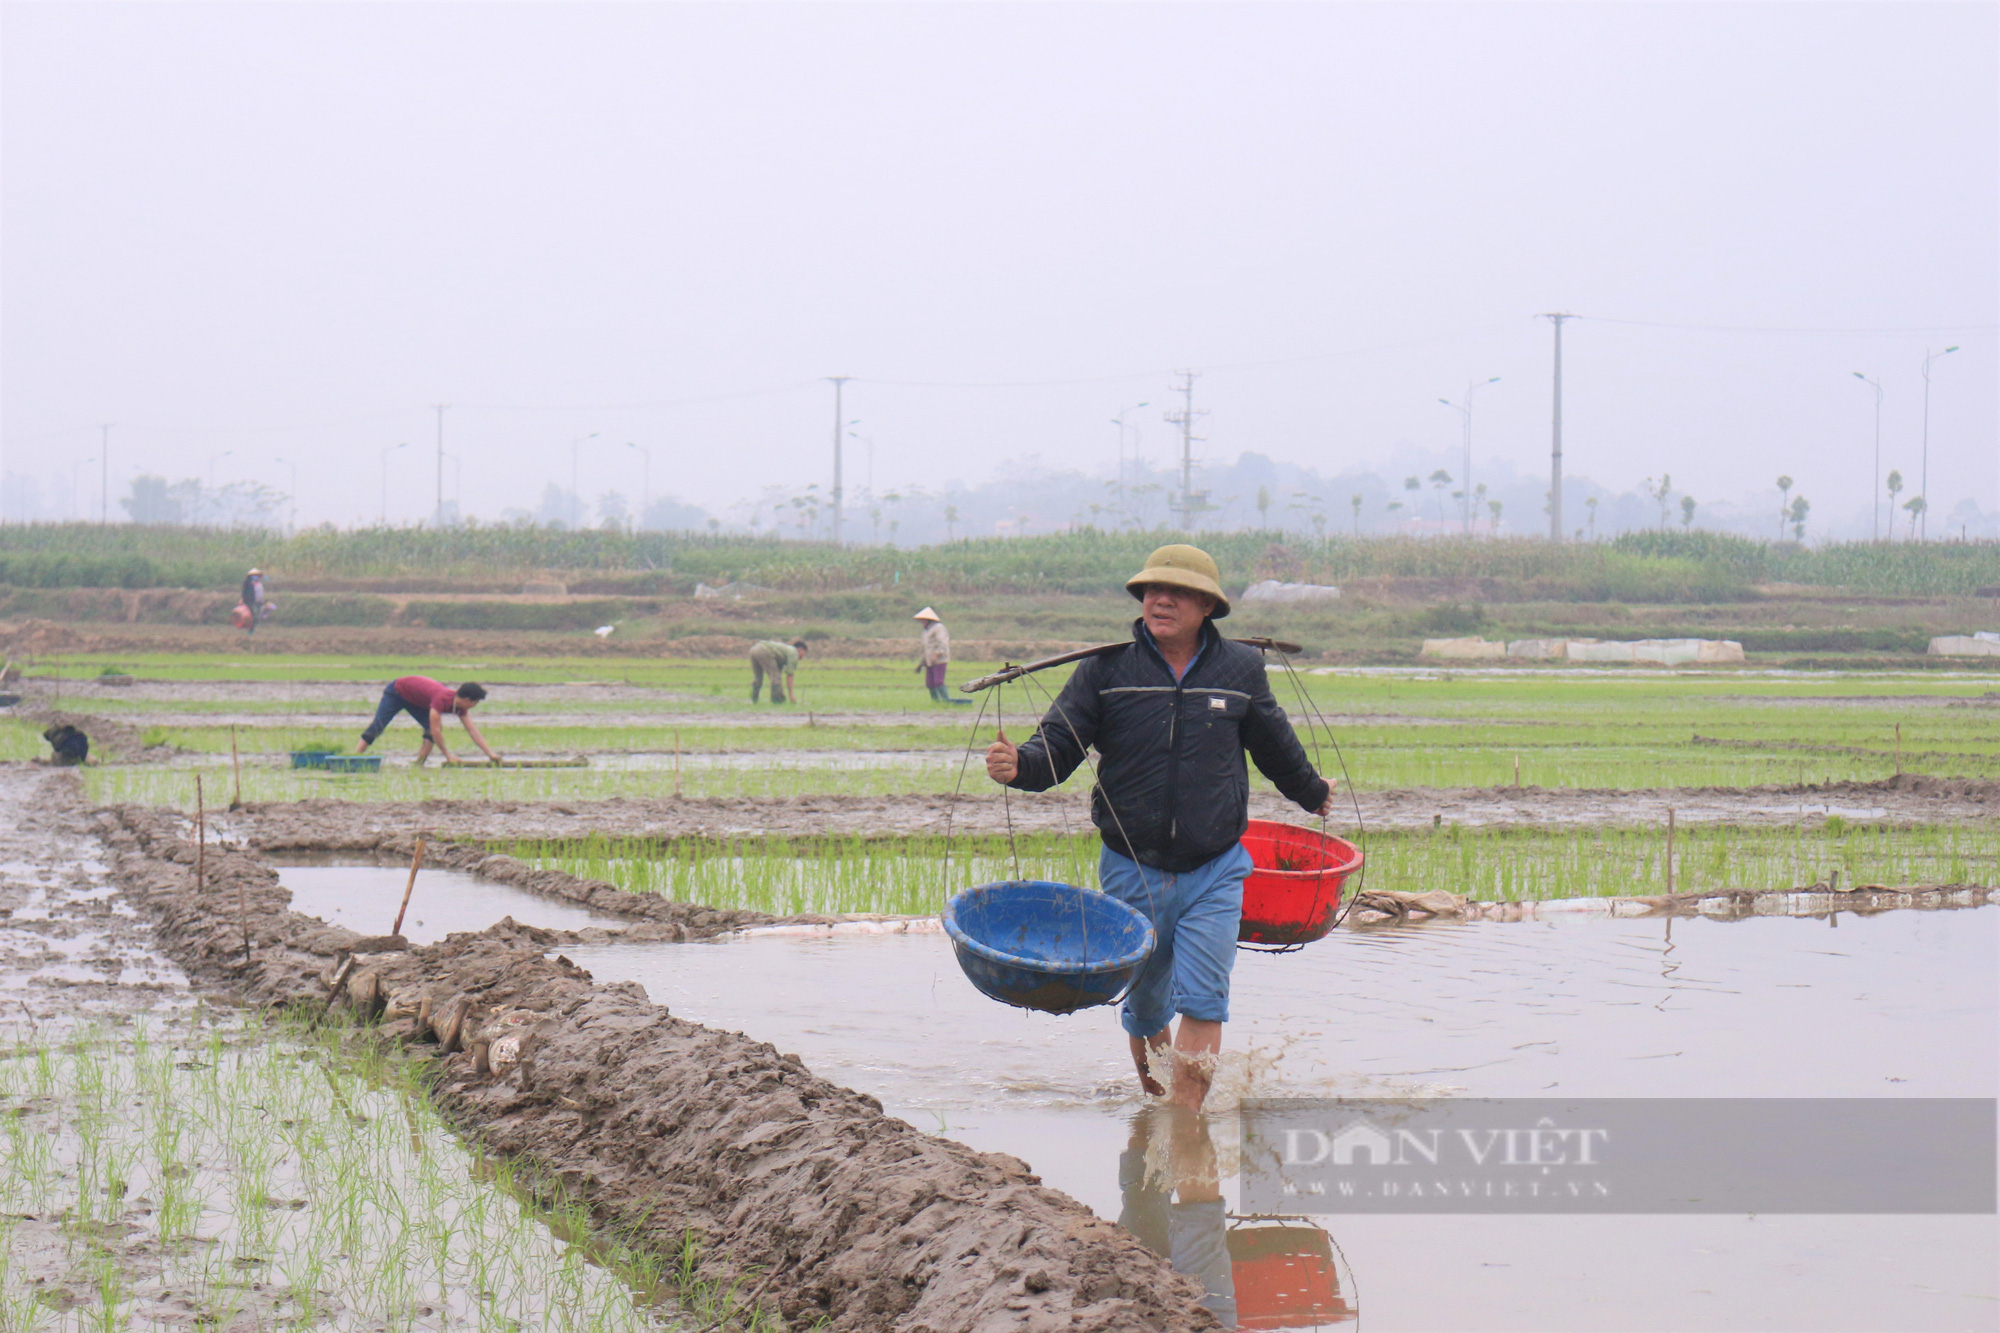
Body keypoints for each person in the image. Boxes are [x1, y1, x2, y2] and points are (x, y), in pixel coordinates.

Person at [985, 544, 1333, 1110]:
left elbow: (1275, 746)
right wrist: (1019, 766)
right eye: (1151, 590)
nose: (1160, 599)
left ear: (1206, 607)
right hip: (1132, 868)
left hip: (1215, 867)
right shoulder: (1106, 670)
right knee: (1147, 1008)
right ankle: (1158, 1107)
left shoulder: (1240, 670)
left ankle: (1183, 1125)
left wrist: (1313, 793)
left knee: (1204, 1001)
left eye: (1177, 592)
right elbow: (1058, 746)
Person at [356, 676, 501, 765]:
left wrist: (490, 754)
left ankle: (419, 764)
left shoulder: (460, 706)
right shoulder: (441, 699)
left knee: (429, 733)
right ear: (467, 700)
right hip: (397, 692)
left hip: (417, 701)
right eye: (474, 703)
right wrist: (448, 756)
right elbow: (436, 730)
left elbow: (472, 730)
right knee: (378, 726)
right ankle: (355, 756)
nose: (473, 707)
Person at [913, 607, 969, 704]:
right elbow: (925, 649)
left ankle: (946, 700)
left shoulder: (938, 628)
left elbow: (943, 643)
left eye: (923, 620)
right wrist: (921, 664)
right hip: (929, 661)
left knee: (938, 682)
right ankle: (936, 702)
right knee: (930, 683)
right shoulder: (925, 631)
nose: (922, 622)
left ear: (928, 619)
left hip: (939, 660)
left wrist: (937, 654)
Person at [749, 639, 807, 704]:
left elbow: (779, 671)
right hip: (764, 651)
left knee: (758, 677)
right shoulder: (794, 653)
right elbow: (790, 675)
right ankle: (777, 701)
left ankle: (754, 699)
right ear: (800, 649)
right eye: (803, 654)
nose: (802, 658)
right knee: (775, 678)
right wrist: (791, 695)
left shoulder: (784, 651)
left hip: (754, 649)